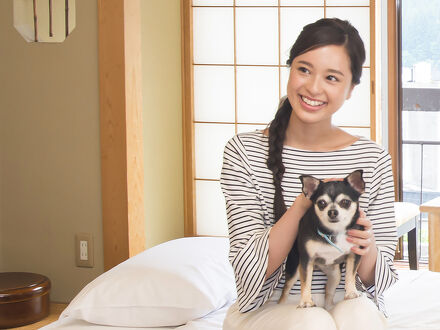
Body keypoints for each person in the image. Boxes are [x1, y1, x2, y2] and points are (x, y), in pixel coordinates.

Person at [220, 18, 398, 330]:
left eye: (331, 77)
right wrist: (303, 204)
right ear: (290, 69)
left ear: (351, 88)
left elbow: (380, 281)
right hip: (271, 310)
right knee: (312, 321)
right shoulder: (244, 152)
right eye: (304, 69)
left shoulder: (372, 158)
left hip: (350, 305)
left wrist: (366, 245)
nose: (313, 87)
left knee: (358, 315)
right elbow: (250, 272)